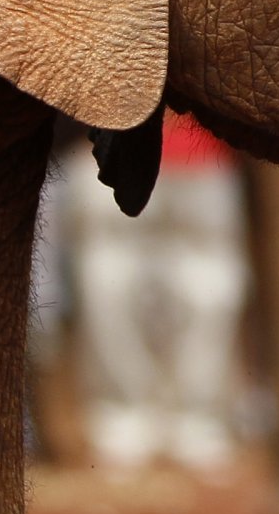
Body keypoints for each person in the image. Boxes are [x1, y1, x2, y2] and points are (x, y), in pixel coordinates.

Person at [66, 109, 251, 470]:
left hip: (205, 156)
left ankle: (199, 421)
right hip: (104, 150)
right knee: (109, 291)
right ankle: (121, 419)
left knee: (211, 296)